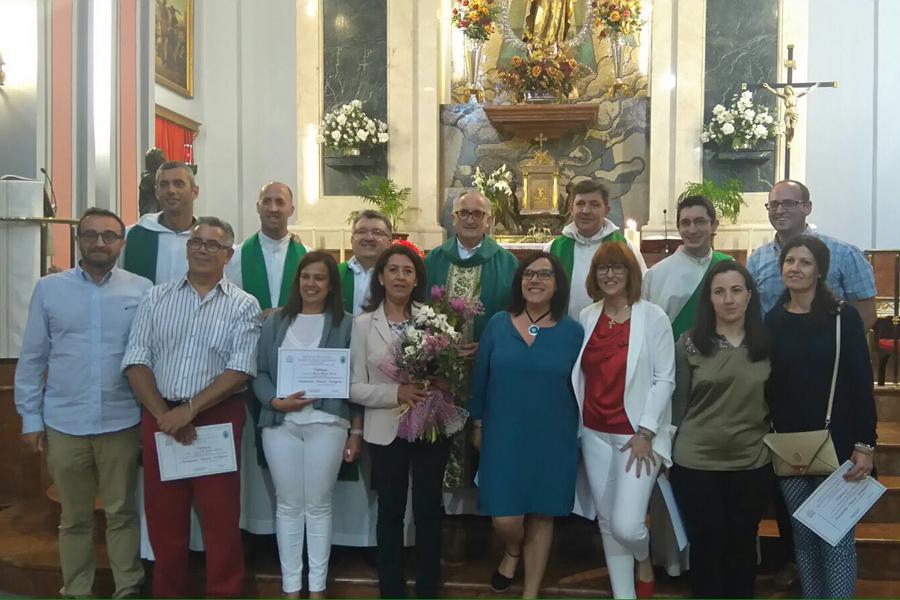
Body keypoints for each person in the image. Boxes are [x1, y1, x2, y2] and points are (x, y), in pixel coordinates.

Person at [14, 208, 151, 599]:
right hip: (64, 422)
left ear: (121, 243)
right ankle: (76, 590)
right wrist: (30, 419)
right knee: (74, 518)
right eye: (90, 235)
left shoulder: (142, 289)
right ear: (78, 241)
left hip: (121, 421)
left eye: (109, 236)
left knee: (122, 513)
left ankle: (128, 587)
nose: (99, 243)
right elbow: (33, 357)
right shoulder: (49, 289)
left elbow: (150, 356)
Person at [747, 179, 876, 588]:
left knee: (835, 538)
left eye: (804, 263)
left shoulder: (842, 317)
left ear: (820, 270)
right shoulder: (773, 320)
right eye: (789, 262)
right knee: (802, 537)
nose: (795, 268)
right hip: (789, 440)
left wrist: (865, 444)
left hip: (837, 438)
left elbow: (860, 382)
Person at [122, 217, 261, 597]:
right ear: (187, 249)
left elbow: (239, 369)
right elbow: (136, 361)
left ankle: (224, 593)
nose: (202, 249)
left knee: (221, 522)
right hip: (160, 416)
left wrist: (190, 410)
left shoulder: (243, 305)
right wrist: (165, 415)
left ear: (228, 255)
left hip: (217, 418)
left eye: (212, 245)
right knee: (165, 522)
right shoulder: (156, 297)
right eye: (196, 242)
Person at [469, 252, 584, 598]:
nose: (535, 280)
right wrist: (477, 424)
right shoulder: (498, 324)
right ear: (519, 282)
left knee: (542, 514)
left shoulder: (573, 332)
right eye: (529, 274)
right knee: (505, 518)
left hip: (553, 436)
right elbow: (480, 378)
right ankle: (512, 549)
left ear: (557, 285)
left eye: (545, 274)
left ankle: (530, 592)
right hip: (503, 435)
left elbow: (581, 389)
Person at [252, 252, 362, 598]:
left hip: (327, 423)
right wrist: (274, 401)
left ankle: (316, 588)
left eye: (319, 278)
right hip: (280, 424)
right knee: (287, 505)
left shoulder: (347, 324)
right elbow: (260, 373)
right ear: (297, 281)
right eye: (305, 277)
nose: (311, 284)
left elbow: (356, 379)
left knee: (318, 505)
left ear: (331, 286)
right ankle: (290, 587)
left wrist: (356, 431)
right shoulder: (275, 322)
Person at [572, 241, 675, 599]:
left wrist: (646, 430)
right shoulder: (588, 315)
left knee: (627, 526)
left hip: (636, 436)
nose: (610, 274)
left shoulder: (653, 316)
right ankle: (624, 594)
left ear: (631, 273)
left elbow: (665, 379)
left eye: (618, 267)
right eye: (603, 268)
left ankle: (643, 558)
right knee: (607, 522)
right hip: (594, 431)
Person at [669, 261, 773, 598]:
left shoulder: (767, 343)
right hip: (696, 462)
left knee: (742, 544)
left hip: (751, 461)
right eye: (719, 292)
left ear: (749, 295)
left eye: (736, 290)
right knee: (707, 544)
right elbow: (678, 405)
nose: (728, 299)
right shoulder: (689, 343)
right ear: (709, 299)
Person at [350, 244, 448, 598]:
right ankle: (391, 589)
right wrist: (397, 393)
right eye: (393, 270)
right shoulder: (363, 324)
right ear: (380, 277)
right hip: (385, 430)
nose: (400, 277)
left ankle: (427, 589)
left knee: (428, 511)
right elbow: (354, 387)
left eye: (408, 271)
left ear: (417, 279)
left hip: (429, 426)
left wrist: (442, 377)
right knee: (390, 512)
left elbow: (446, 371)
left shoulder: (433, 318)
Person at [640, 194, 730, 577]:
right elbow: (647, 337)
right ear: (678, 227)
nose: (692, 229)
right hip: (674, 387)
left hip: (723, 386)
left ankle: (718, 556)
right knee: (672, 467)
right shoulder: (657, 275)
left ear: (713, 225)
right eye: (686, 222)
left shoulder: (728, 270)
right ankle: (672, 557)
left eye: (700, 221)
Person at [425, 190, 518, 501]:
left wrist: (490, 346)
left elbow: (516, 316)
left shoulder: (506, 263)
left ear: (488, 220)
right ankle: (444, 504)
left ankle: (482, 504)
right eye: (463, 213)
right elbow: (418, 310)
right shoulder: (433, 260)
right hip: (440, 371)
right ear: (453, 219)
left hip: (488, 370)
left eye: (478, 214)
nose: (470, 219)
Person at [747, 179, 876, 330]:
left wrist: (837, 342)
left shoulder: (844, 254)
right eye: (774, 205)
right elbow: (751, 311)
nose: (780, 210)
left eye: (789, 203)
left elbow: (866, 314)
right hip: (773, 344)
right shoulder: (757, 260)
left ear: (807, 207)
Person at [545, 179, 647, 318]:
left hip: (612, 328)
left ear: (606, 210)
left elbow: (641, 291)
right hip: (564, 327)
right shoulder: (553, 248)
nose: (586, 211)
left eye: (594, 204)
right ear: (571, 208)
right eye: (580, 204)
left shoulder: (626, 248)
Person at [226, 181, 308, 316]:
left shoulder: (307, 257)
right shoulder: (236, 257)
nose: (273, 208)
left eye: (280, 202)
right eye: (266, 201)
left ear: (291, 210)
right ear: (258, 207)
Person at [121, 161, 198, 284]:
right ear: (156, 192)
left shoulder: (208, 239)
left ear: (195, 192)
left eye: (178, 184)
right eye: (164, 185)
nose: (171, 190)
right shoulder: (130, 236)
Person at [339, 210, 394, 315]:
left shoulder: (397, 276)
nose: (369, 238)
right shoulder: (335, 273)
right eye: (361, 232)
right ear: (352, 239)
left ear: (389, 242)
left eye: (377, 232)